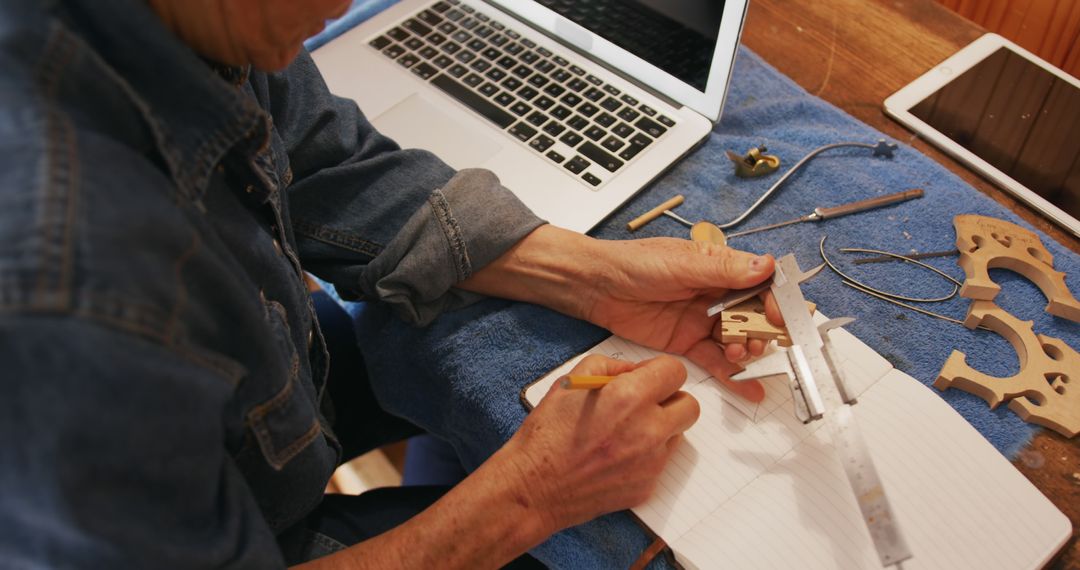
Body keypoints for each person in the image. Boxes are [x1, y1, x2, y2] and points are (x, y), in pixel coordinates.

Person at [0, 0, 780, 567]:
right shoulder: (64, 292)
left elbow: (322, 160)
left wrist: (590, 273)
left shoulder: (198, 22)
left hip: (264, 403)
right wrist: (531, 494)